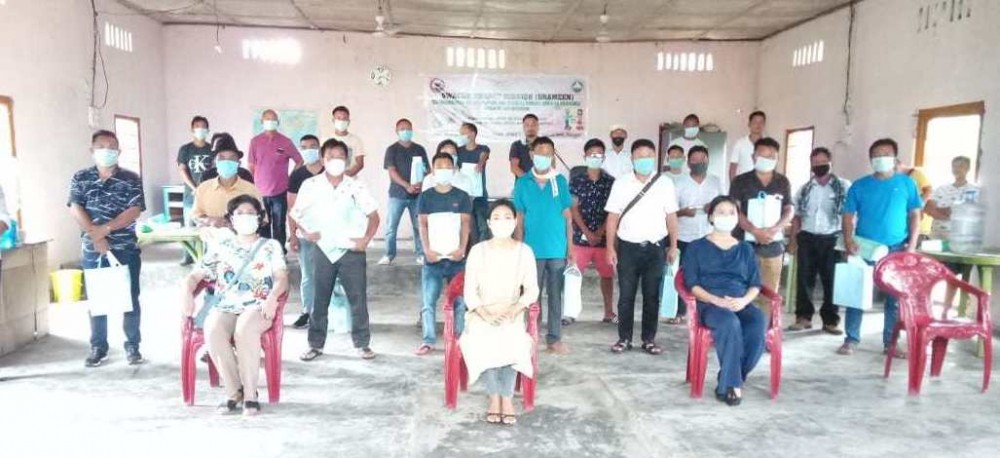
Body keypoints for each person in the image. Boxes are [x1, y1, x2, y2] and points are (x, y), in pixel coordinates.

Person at [181, 195, 288, 416]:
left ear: (260, 218)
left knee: (245, 330)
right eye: (240, 213)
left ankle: (250, 395)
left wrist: (272, 297)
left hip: (259, 305)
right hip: (226, 304)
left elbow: (282, 277)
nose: (245, 217)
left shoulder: (270, 246)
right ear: (230, 219)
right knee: (213, 329)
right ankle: (234, 392)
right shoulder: (222, 246)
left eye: (251, 213)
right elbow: (194, 276)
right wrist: (187, 294)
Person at [292, 139, 380, 361]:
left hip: (352, 251)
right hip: (323, 249)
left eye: (341, 157)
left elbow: (373, 216)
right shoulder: (310, 185)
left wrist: (366, 240)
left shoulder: (356, 186)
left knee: (357, 298)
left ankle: (362, 343)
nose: (336, 161)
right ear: (323, 159)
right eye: (331, 156)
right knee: (319, 298)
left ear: (347, 160)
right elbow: (295, 214)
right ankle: (315, 344)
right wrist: (305, 232)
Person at [68, 130, 146, 367]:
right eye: (101, 146)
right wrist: (95, 234)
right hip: (93, 249)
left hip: (124, 247)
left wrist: (106, 230)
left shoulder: (131, 179)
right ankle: (98, 346)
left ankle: (133, 346)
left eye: (112, 146)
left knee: (130, 298)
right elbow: (75, 207)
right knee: (97, 300)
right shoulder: (80, 178)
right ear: (92, 151)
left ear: (119, 151)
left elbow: (134, 210)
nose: (107, 151)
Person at [839, 138, 922, 356]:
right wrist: (848, 240)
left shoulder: (906, 184)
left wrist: (911, 246)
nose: (881, 158)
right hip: (864, 247)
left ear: (895, 158)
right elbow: (848, 215)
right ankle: (851, 339)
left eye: (885, 154)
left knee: (894, 299)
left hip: (896, 247)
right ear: (870, 159)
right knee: (856, 293)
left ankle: (890, 342)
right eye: (876, 155)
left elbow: (915, 214)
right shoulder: (860, 185)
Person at [460, 199, 538, 426]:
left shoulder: (524, 251)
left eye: (507, 217)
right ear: (488, 223)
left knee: (512, 340)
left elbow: (532, 289)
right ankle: (494, 398)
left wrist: (516, 309)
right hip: (481, 313)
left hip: (511, 311)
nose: (502, 222)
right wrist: (484, 313)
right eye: (496, 218)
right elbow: (469, 290)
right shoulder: (477, 251)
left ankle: (507, 398)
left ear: (515, 222)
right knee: (485, 338)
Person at [682, 195, 765, 406]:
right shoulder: (696, 248)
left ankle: (732, 375)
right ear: (711, 217)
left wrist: (745, 300)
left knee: (757, 322)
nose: (726, 216)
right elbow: (692, 284)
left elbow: (755, 284)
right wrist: (715, 300)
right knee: (729, 323)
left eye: (731, 213)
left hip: (739, 302)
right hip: (710, 304)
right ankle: (730, 385)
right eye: (721, 212)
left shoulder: (745, 249)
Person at [605, 139, 680, 355]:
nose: (643, 160)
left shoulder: (665, 183)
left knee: (651, 296)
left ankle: (649, 339)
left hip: (656, 248)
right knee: (626, 295)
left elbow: (672, 217)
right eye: (639, 156)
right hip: (628, 248)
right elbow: (612, 217)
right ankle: (624, 338)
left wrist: (673, 246)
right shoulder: (621, 183)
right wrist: (610, 247)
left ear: (654, 157)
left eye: (648, 156)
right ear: (632, 159)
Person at [513, 137, 573, 355]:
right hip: (531, 250)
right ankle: (531, 335)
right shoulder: (522, 183)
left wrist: (571, 249)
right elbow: (519, 217)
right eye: (540, 152)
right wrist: (518, 246)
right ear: (532, 154)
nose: (543, 156)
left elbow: (568, 217)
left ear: (552, 156)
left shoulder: (560, 181)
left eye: (548, 153)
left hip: (557, 249)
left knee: (556, 296)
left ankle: (554, 338)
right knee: (531, 296)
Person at [415, 152, 473, 355]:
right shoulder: (425, 196)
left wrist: (462, 249)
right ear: (432, 170)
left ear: (454, 169)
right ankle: (428, 340)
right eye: (439, 166)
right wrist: (426, 250)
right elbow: (422, 225)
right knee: (428, 302)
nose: (443, 170)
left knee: (459, 302)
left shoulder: (462, 196)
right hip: (433, 259)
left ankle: (458, 338)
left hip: (456, 259)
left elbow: (466, 225)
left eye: (447, 166)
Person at [788, 147, 850, 334]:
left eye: (823, 162)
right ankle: (803, 317)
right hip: (807, 237)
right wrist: (793, 240)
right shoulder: (805, 189)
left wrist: (849, 239)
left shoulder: (844, 186)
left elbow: (850, 215)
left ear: (830, 163)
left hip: (832, 238)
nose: (819, 166)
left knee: (831, 280)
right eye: (815, 163)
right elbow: (796, 216)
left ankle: (831, 320)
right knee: (804, 279)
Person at [730, 137, 793, 317]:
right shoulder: (740, 181)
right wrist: (754, 231)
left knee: (769, 292)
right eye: (762, 155)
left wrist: (774, 230)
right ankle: (740, 330)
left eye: (771, 156)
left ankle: (764, 334)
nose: (767, 159)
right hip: (745, 245)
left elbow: (789, 209)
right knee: (741, 290)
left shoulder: (782, 182)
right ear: (753, 156)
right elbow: (735, 210)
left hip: (773, 246)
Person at [671, 145, 725, 324]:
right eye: (694, 160)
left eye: (702, 160)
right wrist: (683, 212)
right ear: (688, 162)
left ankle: (706, 312)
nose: (698, 163)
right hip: (685, 236)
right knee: (683, 275)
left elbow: (726, 207)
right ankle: (680, 311)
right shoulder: (679, 183)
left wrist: (714, 208)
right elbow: (670, 212)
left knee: (709, 275)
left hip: (710, 236)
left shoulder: (716, 182)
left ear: (707, 161)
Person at [569, 138, 617, 323]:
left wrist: (600, 232)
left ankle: (608, 312)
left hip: (604, 239)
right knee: (574, 275)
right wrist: (587, 232)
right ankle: (571, 312)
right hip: (581, 237)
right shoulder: (576, 181)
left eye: (599, 155)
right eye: (591, 155)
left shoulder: (611, 182)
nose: (595, 158)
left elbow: (614, 211)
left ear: (604, 157)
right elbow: (573, 208)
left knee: (607, 276)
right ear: (585, 156)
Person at [924, 156, 979, 307]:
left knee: (953, 275)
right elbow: (929, 209)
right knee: (932, 272)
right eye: (954, 166)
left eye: (960, 166)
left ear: (967, 168)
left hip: (958, 238)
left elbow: (967, 213)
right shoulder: (942, 188)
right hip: (937, 237)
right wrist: (948, 211)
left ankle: (947, 308)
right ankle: (926, 305)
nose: (957, 169)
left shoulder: (973, 190)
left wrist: (948, 210)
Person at [247, 109, 303, 251]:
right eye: (267, 119)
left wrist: (291, 178)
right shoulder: (255, 142)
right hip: (260, 192)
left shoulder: (285, 142)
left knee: (279, 225)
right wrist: (251, 187)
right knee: (263, 224)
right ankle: (265, 253)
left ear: (277, 122)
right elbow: (251, 166)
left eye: (273, 119)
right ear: (262, 122)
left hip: (280, 191)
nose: (270, 122)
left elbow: (299, 161)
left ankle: (279, 252)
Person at [379, 118, 429, 266]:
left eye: (408, 128)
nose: (406, 131)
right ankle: (389, 254)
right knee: (391, 227)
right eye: (402, 129)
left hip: (417, 195)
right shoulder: (392, 149)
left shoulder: (419, 149)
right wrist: (406, 185)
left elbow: (427, 170)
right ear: (397, 131)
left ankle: (421, 254)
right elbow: (392, 171)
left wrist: (421, 182)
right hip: (397, 194)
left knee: (418, 225)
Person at [287, 135, 324, 329]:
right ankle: (307, 312)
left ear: (319, 149)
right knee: (308, 275)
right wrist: (294, 234)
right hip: (305, 235)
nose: (308, 150)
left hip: (328, 235)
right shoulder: (297, 175)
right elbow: (292, 208)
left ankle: (326, 312)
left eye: (312, 146)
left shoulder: (329, 172)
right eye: (304, 147)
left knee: (331, 275)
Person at [191, 138, 263, 229]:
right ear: (215, 162)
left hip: (242, 240)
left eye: (232, 158)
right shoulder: (203, 188)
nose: (226, 162)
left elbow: (262, 219)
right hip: (212, 240)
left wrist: (241, 222)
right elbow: (195, 216)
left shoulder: (251, 190)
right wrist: (209, 220)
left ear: (238, 163)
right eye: (221, 158)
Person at [176, 115, 214, 265]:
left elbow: (214, 171)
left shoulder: (212, 149)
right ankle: (188, 256)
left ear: (208, 130)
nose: (201, 130)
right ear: (192, 129)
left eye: (204, 127)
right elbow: (182, 169)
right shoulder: (185, 149)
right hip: (190, 195)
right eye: (197, 127)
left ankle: (206, 257)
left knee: (206, 226)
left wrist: (204, 189)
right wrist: (195, 188)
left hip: (209, 195)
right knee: (189, 226)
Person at [456, 122, 491, 244]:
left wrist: (480, 163)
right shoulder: (458, 151)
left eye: (463, 133)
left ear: (472, 133)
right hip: (463, 195)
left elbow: (484, 154)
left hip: (479, 195)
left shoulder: (482, 149)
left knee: (482, 225)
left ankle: (482, 249)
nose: (461, 136)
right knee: (465, 225)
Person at [897, 160, 934, 240]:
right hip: (907, 224)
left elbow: (929, 190)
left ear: (899, 165)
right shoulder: (900, 179)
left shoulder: (916, 174)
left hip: (921, 226)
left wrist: (919, 205)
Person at [729, 111, 766, 180]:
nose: (758, 125)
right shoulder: (740, 143)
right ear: (749, 124)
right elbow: (733, 167)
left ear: (764, 125)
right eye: (755, 122)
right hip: (743, 184)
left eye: (761, 122)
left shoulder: (768, 144)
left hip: (762, 184)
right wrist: (733, 187)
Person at [331, 105, 366, 177]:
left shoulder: (356, 140)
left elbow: (360, 163)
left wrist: (347, 176)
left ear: (348, 122)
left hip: (350, 181)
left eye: (344, 119)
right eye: (338, 118)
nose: (341, 121)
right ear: (333, 120)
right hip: (330, 180)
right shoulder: (326, 140)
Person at [509, 113, 539, 178]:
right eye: (527, 125)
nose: (530, 128)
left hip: (542, 185)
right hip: (523, 185)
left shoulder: (545, 144)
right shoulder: (516, 145)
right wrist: (528, 180)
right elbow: (514, 167)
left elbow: (551, 166)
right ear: (523, 127)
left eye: (533, 125)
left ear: (537, 127)